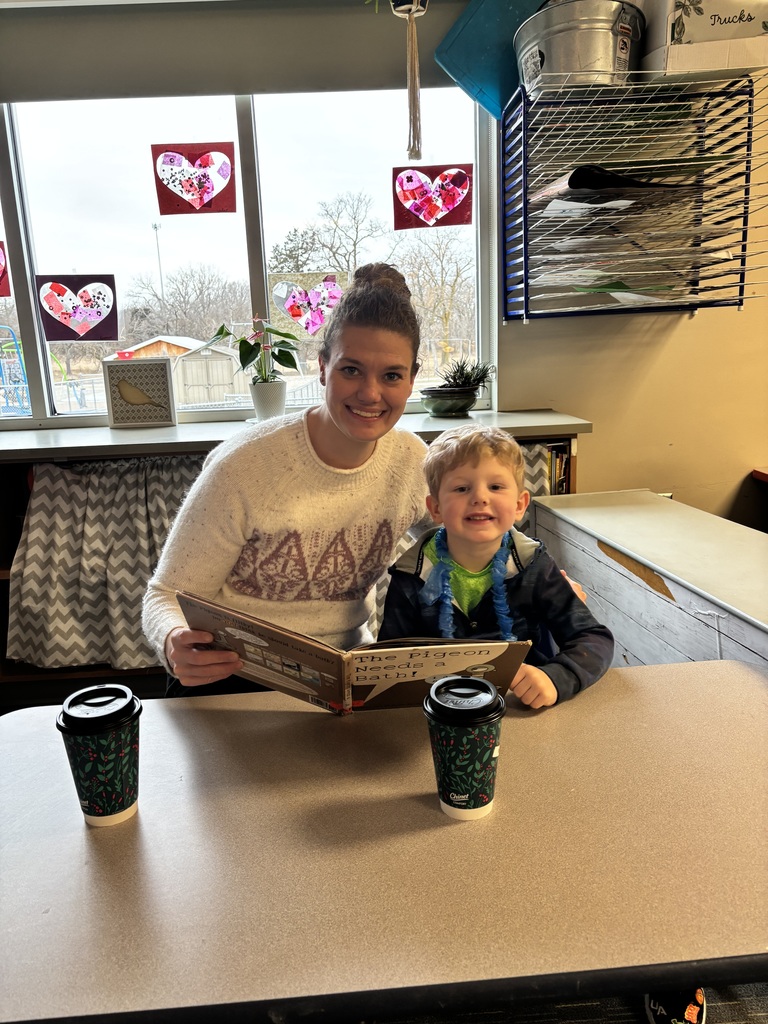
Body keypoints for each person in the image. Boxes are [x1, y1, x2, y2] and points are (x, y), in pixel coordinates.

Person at [142, 263, 432, 695]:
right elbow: (164, 596)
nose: (371, 394)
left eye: (391, 375)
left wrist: (541, 577)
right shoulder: (242, 467)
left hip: (345, 677)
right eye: (351, 370)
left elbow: (475, 542)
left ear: (411, 379)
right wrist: (171, 640)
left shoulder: (413, 462)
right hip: (237, 676)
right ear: (321, 367)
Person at [377, 423, 614, 707]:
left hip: (522, 708)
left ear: (519, 504)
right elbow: (390, 661)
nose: (480, 497)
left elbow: (593, 638)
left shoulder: (533, 567)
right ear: (436, 508)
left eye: (495, 486)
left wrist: (556, 677)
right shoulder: (410, 576)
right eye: (462, 488)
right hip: (438, 714)